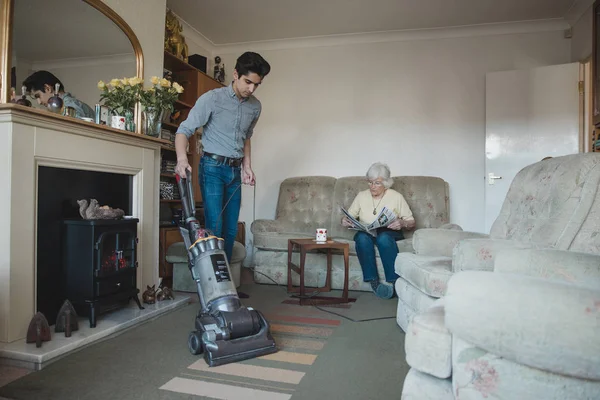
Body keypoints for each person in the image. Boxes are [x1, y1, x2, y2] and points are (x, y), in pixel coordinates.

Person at [174, 52, 271, 263]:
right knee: (214, 228)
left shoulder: (255, 106)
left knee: (230, 230)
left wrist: (247, 167)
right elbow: (184, 130)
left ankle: (223, 282)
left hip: (235, 172)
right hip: (212, 168)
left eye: (257, 84)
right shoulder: (212, 99)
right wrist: (182, 159)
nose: (251, 89)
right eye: (248, 82)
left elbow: (246, 137)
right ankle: (212, 286)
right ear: (235, 74)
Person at [341, 162, 416, 299]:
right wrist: (345, 220)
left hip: (389, 232)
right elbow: (349, 216)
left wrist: (402, 222)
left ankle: (394, 283)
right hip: (367, 231)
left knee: (383, 239)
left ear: (386, 183)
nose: (372, 186)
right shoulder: (361, 196)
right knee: (362, 238)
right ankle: (374, 282)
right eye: (369, 182)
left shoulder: (396, 196)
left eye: (377, 183)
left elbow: (411, 222)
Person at [22, 70, 95, 119]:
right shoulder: (66, 104)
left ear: (47, 88)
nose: (39, 102)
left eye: (38, 96)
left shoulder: (69, 105)